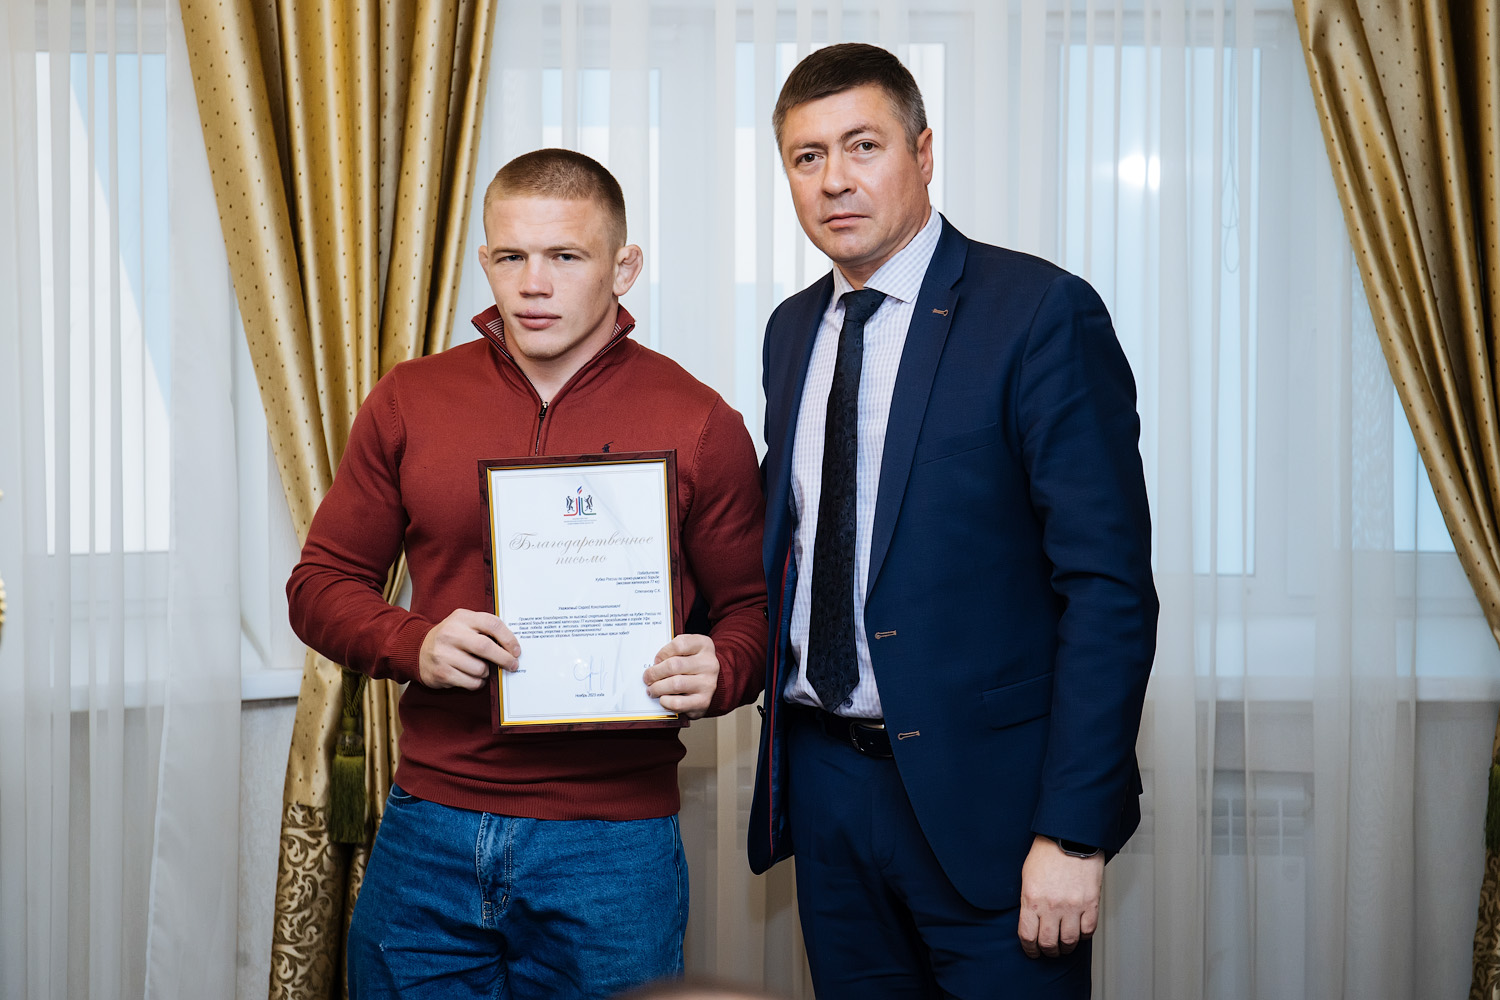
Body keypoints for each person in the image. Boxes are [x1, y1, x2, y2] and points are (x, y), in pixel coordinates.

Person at [287, 148, 767, 999]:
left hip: (613, 843)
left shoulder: (699, 422)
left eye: (565, 256)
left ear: (624, 267)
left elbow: (753, 612)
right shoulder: (409, 399)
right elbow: (319, 583)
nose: (533, 284)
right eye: (511, 256)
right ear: (485, 261)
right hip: (430, 823)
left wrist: (722, 666)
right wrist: (413, 642)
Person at [747, 43, 1158, 997]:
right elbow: (794, 543)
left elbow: (1107, 590)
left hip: (995, 810)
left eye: (863, 145)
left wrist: (1073, 833)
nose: (835, 179)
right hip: (827, 788)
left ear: (924, 153)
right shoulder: (790, 330)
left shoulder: (1039, 312)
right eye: (808, 156)